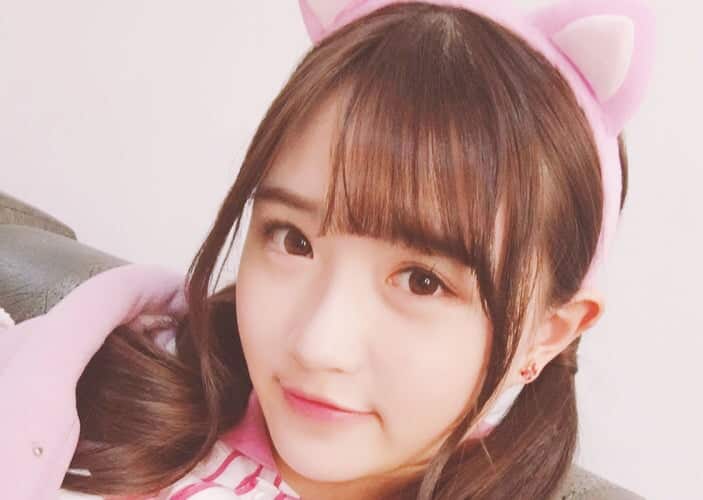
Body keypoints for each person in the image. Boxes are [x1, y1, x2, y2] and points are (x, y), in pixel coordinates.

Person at [0, 0, 655, 498]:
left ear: (547, 333)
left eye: (422, 280)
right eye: (294, 241)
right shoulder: (97, 387)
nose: (318, 345)